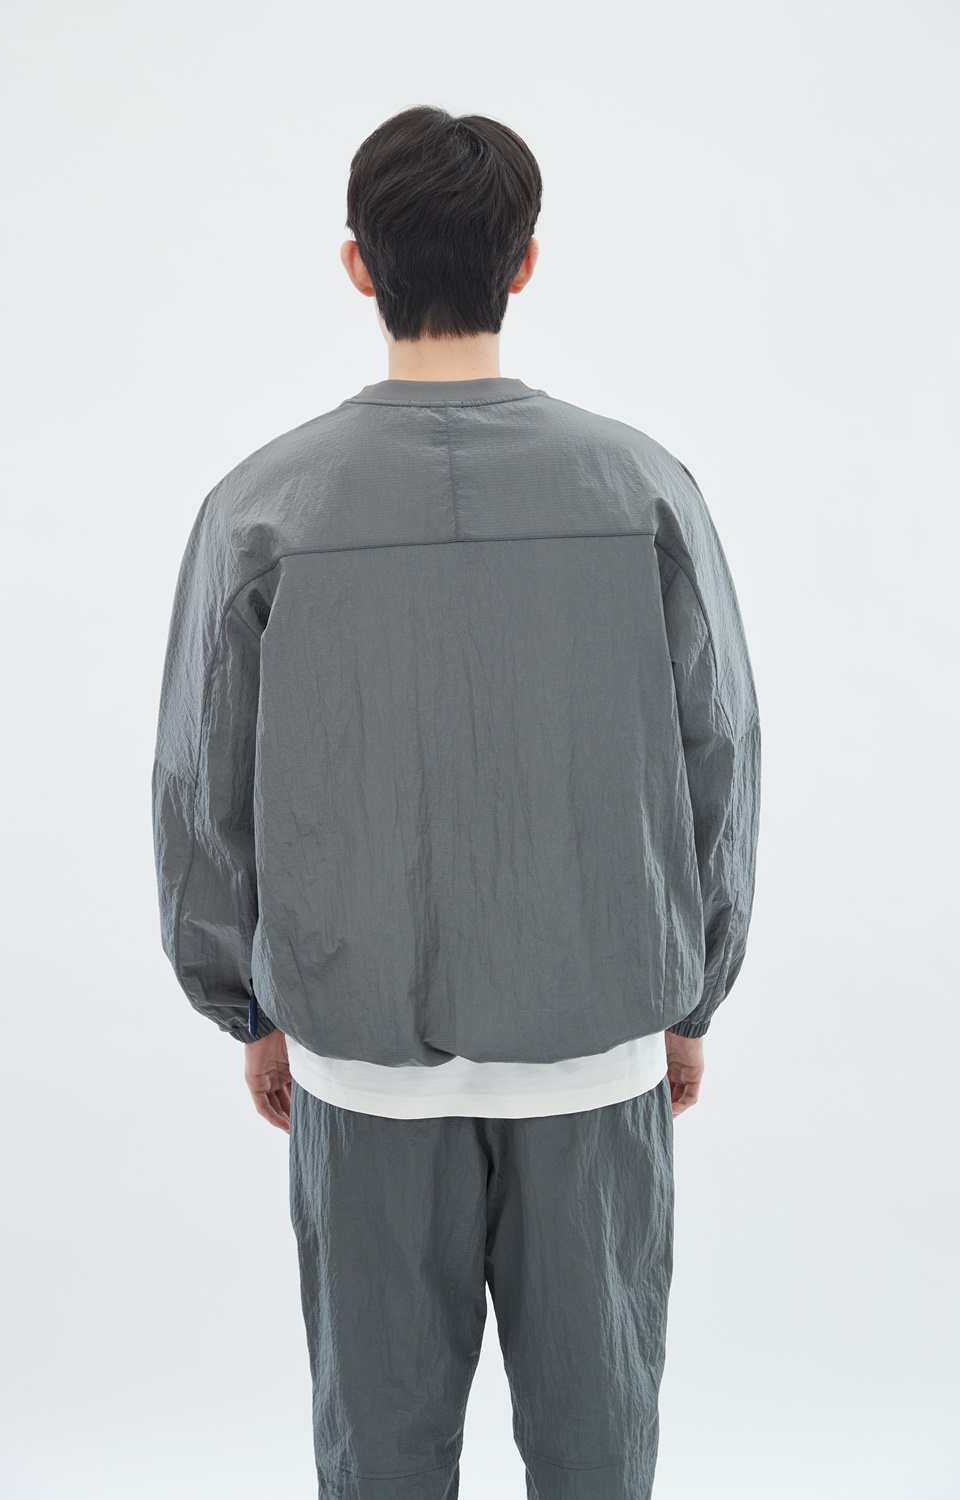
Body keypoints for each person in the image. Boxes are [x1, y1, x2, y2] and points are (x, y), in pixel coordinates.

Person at [150, 104, 762, 1500]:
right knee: (599, 1457)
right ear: (525, 263)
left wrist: (250, 1004)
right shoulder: (643, 487)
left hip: (360, 1060)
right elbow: (719, 745)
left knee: (379, 1461)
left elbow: (201, 781)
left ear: (358, 266)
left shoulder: (262, 507)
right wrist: (691, 991)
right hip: (596, 1050)